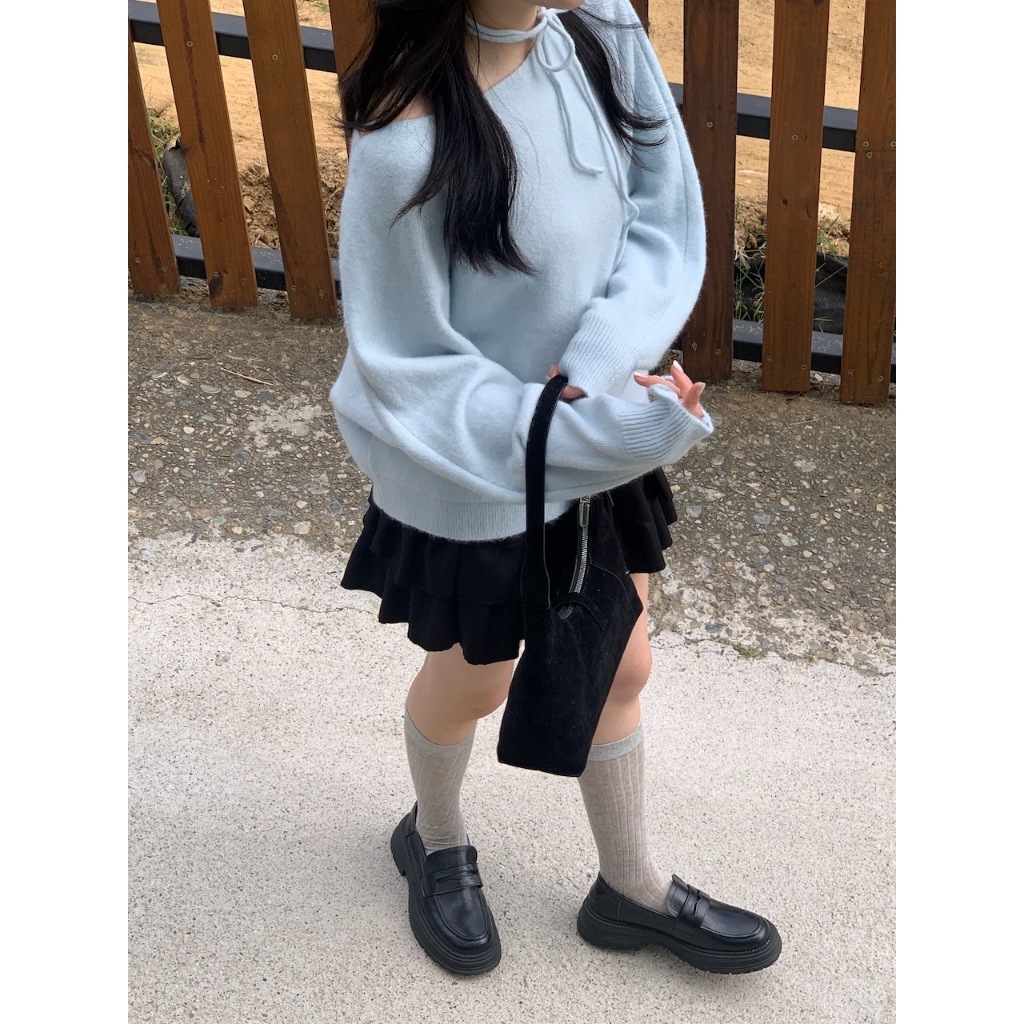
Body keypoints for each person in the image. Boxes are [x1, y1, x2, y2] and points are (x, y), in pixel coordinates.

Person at [329, 0, 782, 976]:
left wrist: (599, 371)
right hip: (472, 474)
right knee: (474, 683)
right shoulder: (405, 143)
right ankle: (434, 838)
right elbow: (410, 374)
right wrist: (589, 429)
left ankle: (629, 886)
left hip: (590, 442)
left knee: (621, 665)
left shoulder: (595, 26)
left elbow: (662, 210)